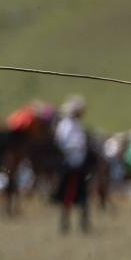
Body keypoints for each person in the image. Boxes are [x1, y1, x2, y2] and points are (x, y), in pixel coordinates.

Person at [54, 94, 91, 234]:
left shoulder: (77, 124)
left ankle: (84, 223)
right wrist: (76, 146)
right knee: (69, 196)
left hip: (79, 164)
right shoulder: (65, 125)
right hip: (71, 164)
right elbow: (62, 142)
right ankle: (65, 224)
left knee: (83, 196)